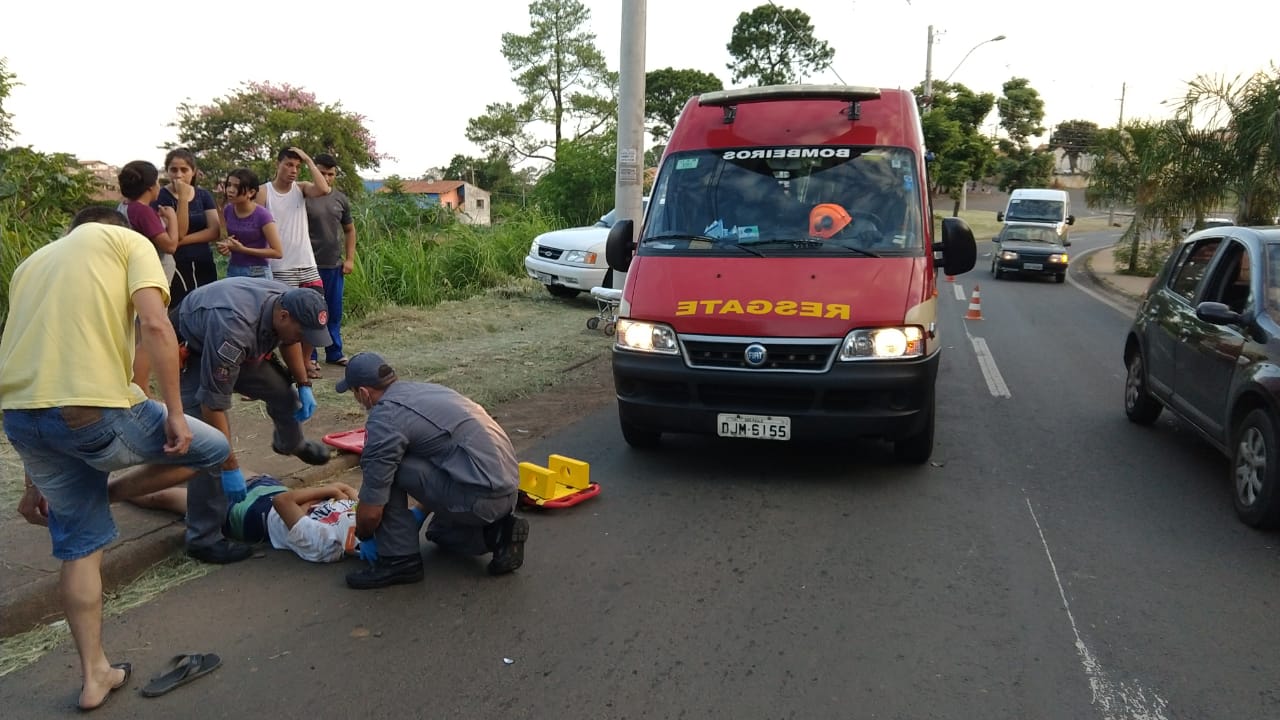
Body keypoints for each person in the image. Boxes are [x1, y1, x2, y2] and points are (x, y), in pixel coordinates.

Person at [2, 207, 230, 711]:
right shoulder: (128, 244)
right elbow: (154, 322)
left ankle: (94, 676)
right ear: (115, 226)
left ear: (71, 230)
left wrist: (33, 483)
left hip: (22, 418)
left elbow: (35, 365)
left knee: (79, 544)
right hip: (96, 412)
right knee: (213, 447)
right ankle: (117, 489)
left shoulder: (32, 263)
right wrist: (174, 410)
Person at [336, 352, 530, 590]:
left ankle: (399, 560)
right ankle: (499, 534)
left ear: (363, 393)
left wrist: (365, 535)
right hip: (506, 489)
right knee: (438, 532)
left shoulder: (385, 418)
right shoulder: (424, 391)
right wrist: (418, 512)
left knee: (384, 469)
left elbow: (372, 506)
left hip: (481, 497)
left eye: (354, 394)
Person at [173, 277, 334, 564]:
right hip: (197, 347)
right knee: (209, 448)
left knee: (285, 397)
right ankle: (203, 539)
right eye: (303, 330)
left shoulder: (289, 302)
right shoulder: (232, 330)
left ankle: (290, 443)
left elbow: (291, 340)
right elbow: (213, 406)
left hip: (244, 346)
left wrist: (303, 384)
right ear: (283, 316)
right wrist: (230, 467)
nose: (304, 338)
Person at [119, 476, 374, 564]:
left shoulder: (323, 544)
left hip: (245, 514)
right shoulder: (357, 522)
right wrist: (335, 494)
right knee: (208, 459)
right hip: (267, 489)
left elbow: (284, 503)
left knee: (161, 497)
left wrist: (329, 491)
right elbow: (351, 492)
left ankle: (110, 490)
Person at [259, 146, 330, 379]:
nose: (293, 170)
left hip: (306, 264)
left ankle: (305, 362)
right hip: (280, 266)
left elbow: (323, 188)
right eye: (289, 164)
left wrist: (309, 159)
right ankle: (280, 369)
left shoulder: (300, 189)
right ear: (277, 164)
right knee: (283, 320)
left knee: (315, 313)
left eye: (297, 167)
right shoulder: (264, 192)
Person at [305, 153, 356, 367]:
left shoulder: (340, 199)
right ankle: (311, 357)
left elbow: (350, 230)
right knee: (310, 312)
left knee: (333, 312)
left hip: (333, 265)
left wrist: (350, 259)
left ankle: (334, 352)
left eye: (330, 174)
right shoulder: (303, 195)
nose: (326, 177)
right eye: (322, 172)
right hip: (307, 266)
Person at [156, 148, 221, 306]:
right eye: (173, 170)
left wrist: (179, 241)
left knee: (206, 304)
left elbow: (214, 231)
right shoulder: (161, 196)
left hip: (203, 261)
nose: (178, 175)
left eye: (184, 170)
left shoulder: (203, 195)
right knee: (183, 307)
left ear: (193, 172)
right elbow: (179, 232)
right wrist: (183, 198)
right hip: (178, 264)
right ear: (167, 171)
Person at [117, 159, 186, 282]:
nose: (159, 186)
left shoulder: (124, 205)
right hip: (153, 276)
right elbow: (170, 246)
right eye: (157, 182)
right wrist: (172, 217)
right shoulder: (143, 211)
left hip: (138, 272)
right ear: (150, 187)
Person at [218, 168, 283, 278]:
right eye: (229, 185)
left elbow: (277, 252)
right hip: (233, 269)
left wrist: (243, 250)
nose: (230, 190)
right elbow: (232, 238)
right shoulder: (228, 210)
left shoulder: (262, 215)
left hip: (257, 272)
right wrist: (226, 246)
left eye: (236, 187)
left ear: (251, 192)